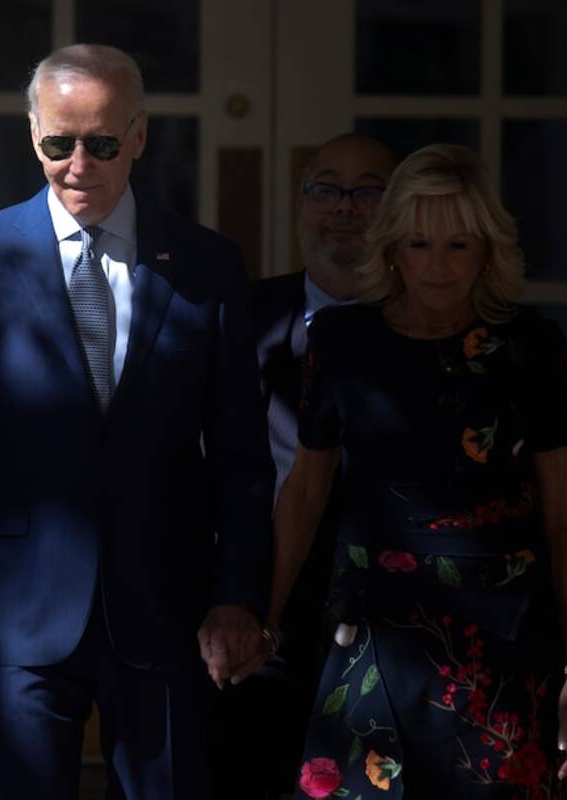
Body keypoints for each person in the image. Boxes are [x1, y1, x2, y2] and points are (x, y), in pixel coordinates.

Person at [0, 44, 274, 800]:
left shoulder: (206, 265)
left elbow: (240, 452)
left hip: (167, 605)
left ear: (138, 136)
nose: (78, 164)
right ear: (31, 134)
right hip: (24, 610)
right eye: (57, 144)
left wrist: (238, 596)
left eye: (101, 143)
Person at [268, 144, 567, 798]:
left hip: (501, 635)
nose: (439, 266)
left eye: (459, 245)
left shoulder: (531, 350)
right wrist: (264, 617)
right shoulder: (341, 341)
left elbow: (561, 519)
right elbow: (304, 491)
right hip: (371, 631)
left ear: (487, 251)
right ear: (391, 247)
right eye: (419, 243)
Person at [209, 133, 396, 798]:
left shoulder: (428, 327)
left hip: (394, 612)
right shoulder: (239, 315)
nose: (343, 207)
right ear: (300, 203)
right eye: (324, 187)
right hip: (260, 599)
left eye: (367, 189)